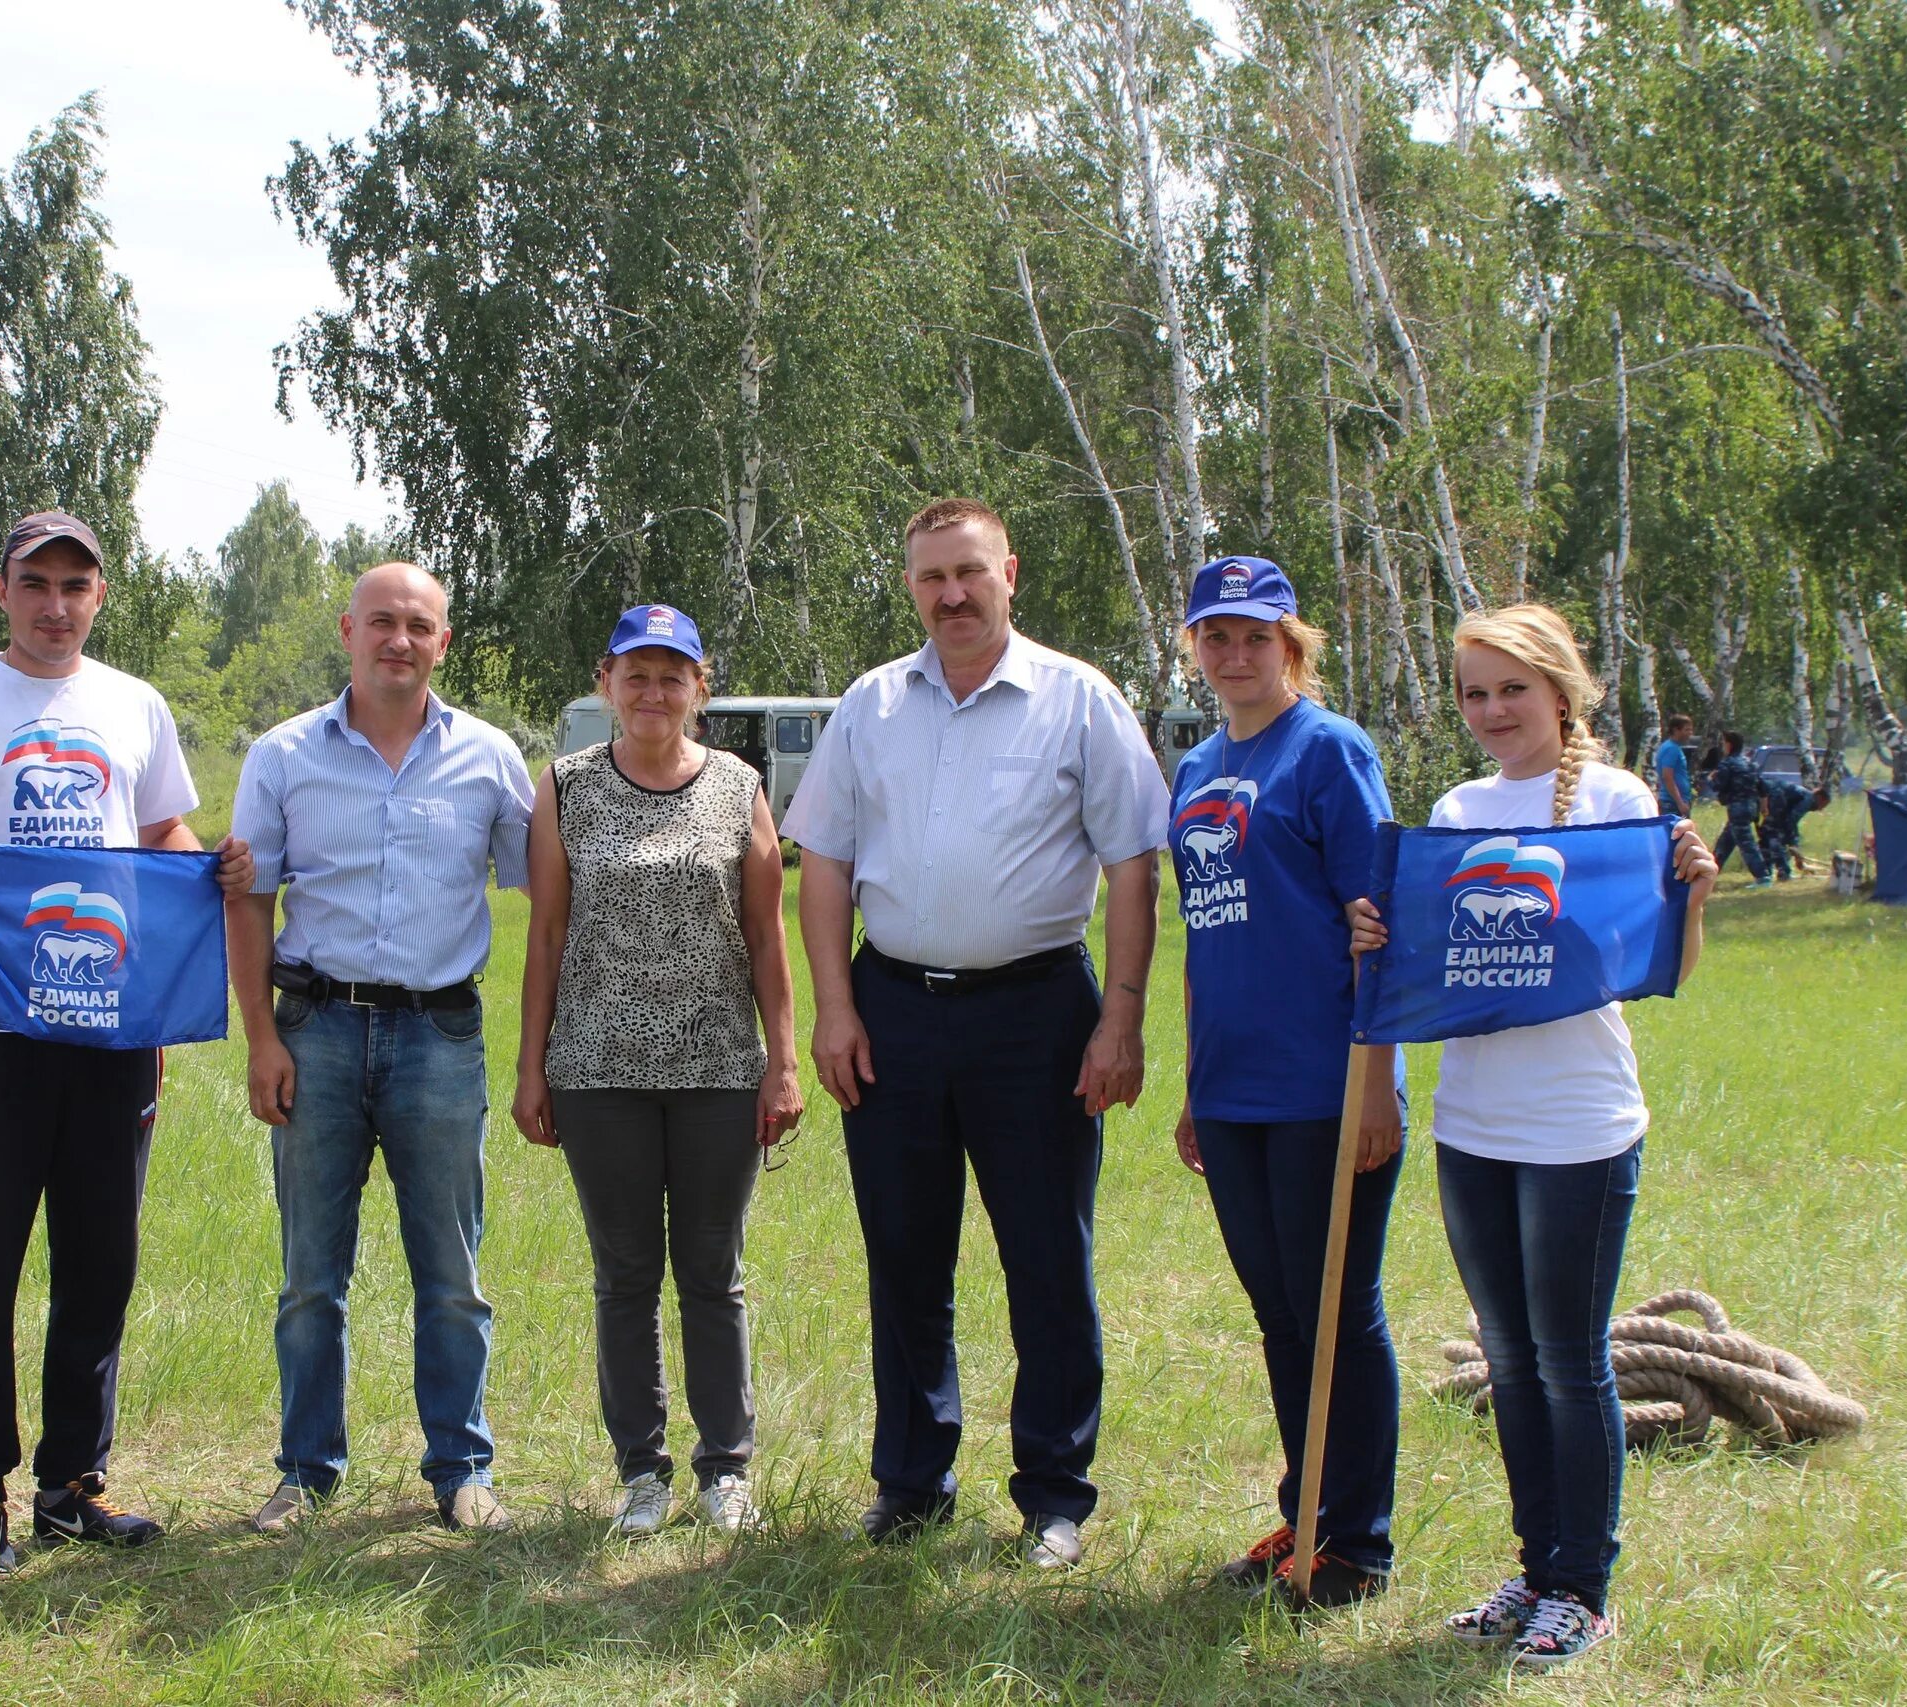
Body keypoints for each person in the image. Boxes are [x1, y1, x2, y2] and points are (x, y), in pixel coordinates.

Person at [782, 497, 1167, 1570]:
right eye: (929, 578)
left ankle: (1053, 1495)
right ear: (910, 586)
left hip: (1039, 1015)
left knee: (1047, 1258)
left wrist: (1121, 1019)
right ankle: (911, 1484)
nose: (950, 595)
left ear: (1009, 572)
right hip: (893, 1009)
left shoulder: (1080, 701)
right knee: (904, 1258)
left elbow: (1133, 866)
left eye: (968, 572)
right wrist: (835, 1006)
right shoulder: (870, 705)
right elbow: (825, 868)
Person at [0, 511, 250, 1574]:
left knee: (100, 1261)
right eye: (35, 583)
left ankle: (71, 1485)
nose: (54, 605)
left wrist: (204, 865)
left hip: (112, 1028)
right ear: (2, 590)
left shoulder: (135, 705)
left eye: (74, 586)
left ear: (99, 596)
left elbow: (157, 836)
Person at [1351, 603, 1715, 1671]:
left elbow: (1664, 968)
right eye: (1473, 691)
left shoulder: (1616, 802)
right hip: (1472, 1125)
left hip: (1578, 1128)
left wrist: (1692, 893)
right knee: (1509, 1360)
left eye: (1512, 687)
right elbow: (1432, 956)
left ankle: (1584, 1590)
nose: (1492, 710)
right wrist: (1378, 932)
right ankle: (1536, 1567)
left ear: (1562, 691)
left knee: (1568, 1361)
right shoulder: (1456, 806)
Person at [226, 561, 538, 1535]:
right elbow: (248, 897)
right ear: (346, 630)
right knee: (311, 1278)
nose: (397, 640)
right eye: (380, 623)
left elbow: (552, 891)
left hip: (440, 1035)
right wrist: (261, 1038)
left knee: (451, 1276)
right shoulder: (281, 756)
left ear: (442, 641)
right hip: (313, 1031)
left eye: (418, 625)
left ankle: (462, 1470)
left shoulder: (490, 759)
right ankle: (305, 1473)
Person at [511, 604, 804, 1536]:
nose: (652, 691)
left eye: (672, 674)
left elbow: (766, 932)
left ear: (698, 687)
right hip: (598, 1070)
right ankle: (643, 1470)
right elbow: (547, 932)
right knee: (626, 1271)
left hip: (720, 1065)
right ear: (607, 683)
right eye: (635, 673)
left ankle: (727, 1470)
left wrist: (784, 1059)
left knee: (713, 1271)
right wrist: (532, 1067)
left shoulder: (740, 785)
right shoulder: (563, 786)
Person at [1163, 557, 1402, 1608]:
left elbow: (1379, 926)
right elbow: (1200, 939)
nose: (1236, 653)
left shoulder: (1329, 750)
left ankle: (1357, 1546)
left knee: (1335, 1315)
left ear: (1289, 645)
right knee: (1279, 1317)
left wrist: (1379, 1084)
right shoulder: (1194, 767)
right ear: (1195, 650)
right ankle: (1302, 1515)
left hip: (1322, 1086)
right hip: (1232, 1090)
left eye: (1256, 635)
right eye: (1215, 635)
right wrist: (1190, 1085)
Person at [1705, 732, 1772, 884]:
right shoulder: (1750, 763)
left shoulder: (1727, 764)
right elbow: (1763, 787)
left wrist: (1709, 779)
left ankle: (1762, 877)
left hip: (1737, 809)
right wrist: (1764, 808)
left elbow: (1717, 786)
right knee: (1726, 841)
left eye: (1723, 743)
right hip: (1751, 807)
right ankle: (1710, 871)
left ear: (1729, 745)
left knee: (1746, 844)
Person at [1758, 775, 1829, 880]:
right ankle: (1784, 872)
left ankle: (1765, 872)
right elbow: (1792, 819)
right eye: (1823, 805)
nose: (1820, 809)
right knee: (1776, 838)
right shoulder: (1808, 798)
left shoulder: (1802, 794)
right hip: (1777, 801)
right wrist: (1794, 845)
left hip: (1770, 798)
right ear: (1820, 798)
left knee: (1767, 835)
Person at [1652, 715, 1694, 816]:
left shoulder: (1673, 747)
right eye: (1687, 730)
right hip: (1672, 804)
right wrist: (1680, 803)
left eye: (1691, 730)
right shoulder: (1671, 749)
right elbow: (1667, 777)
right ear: (1676, 730)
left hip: (1675, 802)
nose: (1690, 733)